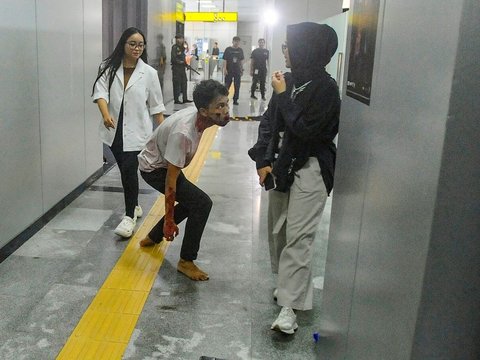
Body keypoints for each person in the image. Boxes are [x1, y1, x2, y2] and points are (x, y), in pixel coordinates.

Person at [248, 22, 340, 334]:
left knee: (300, 236)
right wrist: (262, 160)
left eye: (290, 46)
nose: (285, 51)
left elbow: (304, 130)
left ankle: (289, 309)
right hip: (281, 165)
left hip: (312, 166)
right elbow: (268, 122)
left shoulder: (326, 90)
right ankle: (288, 287)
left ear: (307, 49)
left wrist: (284, 96)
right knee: (279, 232)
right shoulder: (285, 81)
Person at [137, 79, 230, 281]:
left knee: (192, 201)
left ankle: (152, 237)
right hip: (154, 169)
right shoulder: (184, 133)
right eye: (220, 106)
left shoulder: (200, 118)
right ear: (204, 111)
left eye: (226, 104)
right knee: (202, 203)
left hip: (164, 162)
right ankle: (186, 261)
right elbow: (170, 182)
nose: (226, 110)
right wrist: (169, 221)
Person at [92, 27, 165, 238]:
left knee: (129, 171)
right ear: (123, 44)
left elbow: (157, 108)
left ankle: (129, 216)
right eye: (132, 44)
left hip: (137, 132)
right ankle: (134, 204)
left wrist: (162, 138)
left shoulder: (149, 73)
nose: (136, 48)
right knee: (126, 170)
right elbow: (100, 92)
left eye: (140, 45)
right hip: (114, 131)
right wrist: (105, 114)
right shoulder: (107, 67)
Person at [222, 36, 244, 105]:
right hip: (229, 70)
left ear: (239, 42)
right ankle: (224, 99)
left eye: (238, 41)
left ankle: (235, 99)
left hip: (237, 70)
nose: (236, 43)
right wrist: (225, 69)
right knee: (227, 85)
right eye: (235, 41)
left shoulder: (240, 50)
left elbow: (241, 61)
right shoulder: (228, 49)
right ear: (232, 41)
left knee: (237, 86)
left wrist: (241, 69)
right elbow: (225, 60)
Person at [171, 34, 192, 104]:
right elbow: (173, 59)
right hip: (176, 69)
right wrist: (181, 62)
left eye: (180, 38)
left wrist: (186, 65)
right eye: (177, 38)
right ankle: (176, 100)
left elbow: (183, 58)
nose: (179, 40)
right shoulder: (174, 47)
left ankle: (185, 98)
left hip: (182, 69)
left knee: (184, 83)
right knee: (177, 84)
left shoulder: (182, 48)